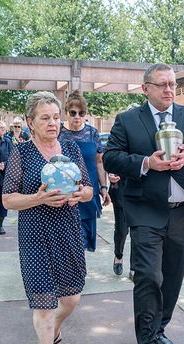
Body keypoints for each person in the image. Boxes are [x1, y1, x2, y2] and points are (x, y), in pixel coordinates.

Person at [103, 63, 184, 344]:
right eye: (162, 85)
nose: (169, 90)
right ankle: (145, 342)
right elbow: (111, 157)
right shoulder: (128, 120)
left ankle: (159, 329)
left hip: (182, 212)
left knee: (172, 276)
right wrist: (146, 163)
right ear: (146, 89)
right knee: (148, 276)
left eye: (172, 84)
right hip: (144, 211)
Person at [2, 91, 93, 344]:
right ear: (30, 122)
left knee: (72, 298)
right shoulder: (21, 153)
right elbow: (8, 199)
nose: (53, 123)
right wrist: (39, 198)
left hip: (67, 231)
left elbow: (88, 189)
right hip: (35, 235)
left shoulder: (70, 148)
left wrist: (80, 194)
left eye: (56, 117)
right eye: (45, 118)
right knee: (43, 304)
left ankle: (55, 328)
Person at [59, 90, 110, 251]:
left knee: (84, 238)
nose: (77, 117)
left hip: (89, 190)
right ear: (66, 113)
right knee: (67, 240)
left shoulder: (92, 133)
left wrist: (103, 188)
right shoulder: (58, 133)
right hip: (65, 191)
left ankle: (78, 266)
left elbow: (99, 162)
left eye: (81, 113)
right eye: (73, 112)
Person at [108, 173, 129, 276]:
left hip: (143, 193)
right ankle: (118, 255)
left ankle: (135, 268)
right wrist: (111, 175)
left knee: (140, 232)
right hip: (121, 191)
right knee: (121, 230)